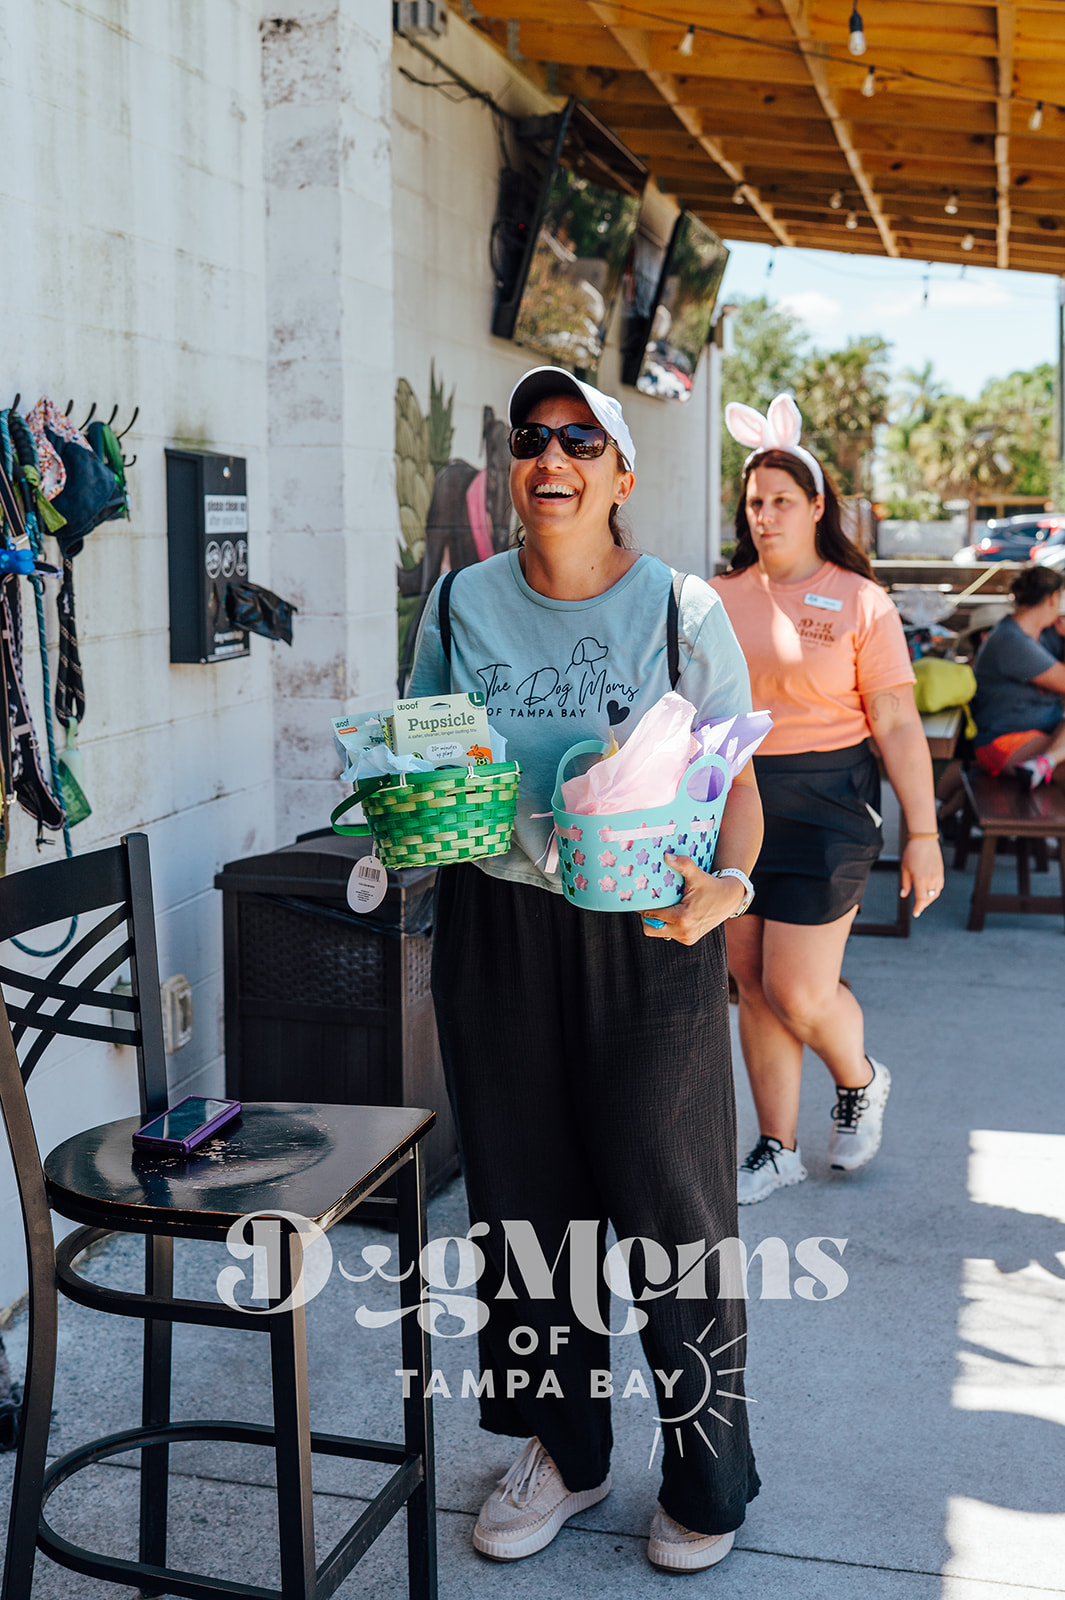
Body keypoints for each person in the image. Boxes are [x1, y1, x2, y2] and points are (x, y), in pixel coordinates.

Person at [408, 365, 763, 1572]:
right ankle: (565, 1449)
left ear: (621, 474)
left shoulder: (681, 609)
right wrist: (404, 810)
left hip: (650, 930)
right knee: (523, 1201)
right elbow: (427, 759)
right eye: (529, 439)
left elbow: (737, 785)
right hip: (497, 926)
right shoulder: (458, 603)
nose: (548, 458)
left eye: (577, 439)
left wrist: (729, 887)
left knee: (673, 1206)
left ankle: (707, 1472)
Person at [708, 395, 943, 1206]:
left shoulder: (859, 600)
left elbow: (897, 722)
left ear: (815, 507)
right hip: (736, 799)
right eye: (754, 502)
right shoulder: (715, 596)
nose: (765, 515)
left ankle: (859, 1077)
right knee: (750, 979)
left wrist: (923, 833)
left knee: (799, 989)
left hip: (830, 801)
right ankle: (774, 1147)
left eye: (781, 500)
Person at [970, 565, 1065, 789]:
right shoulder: (1011, 640)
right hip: (1004, 742)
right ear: (1052, 598)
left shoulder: (1042, 635)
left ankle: (1046, 761)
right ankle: (1046, 763)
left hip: (1040, 735)